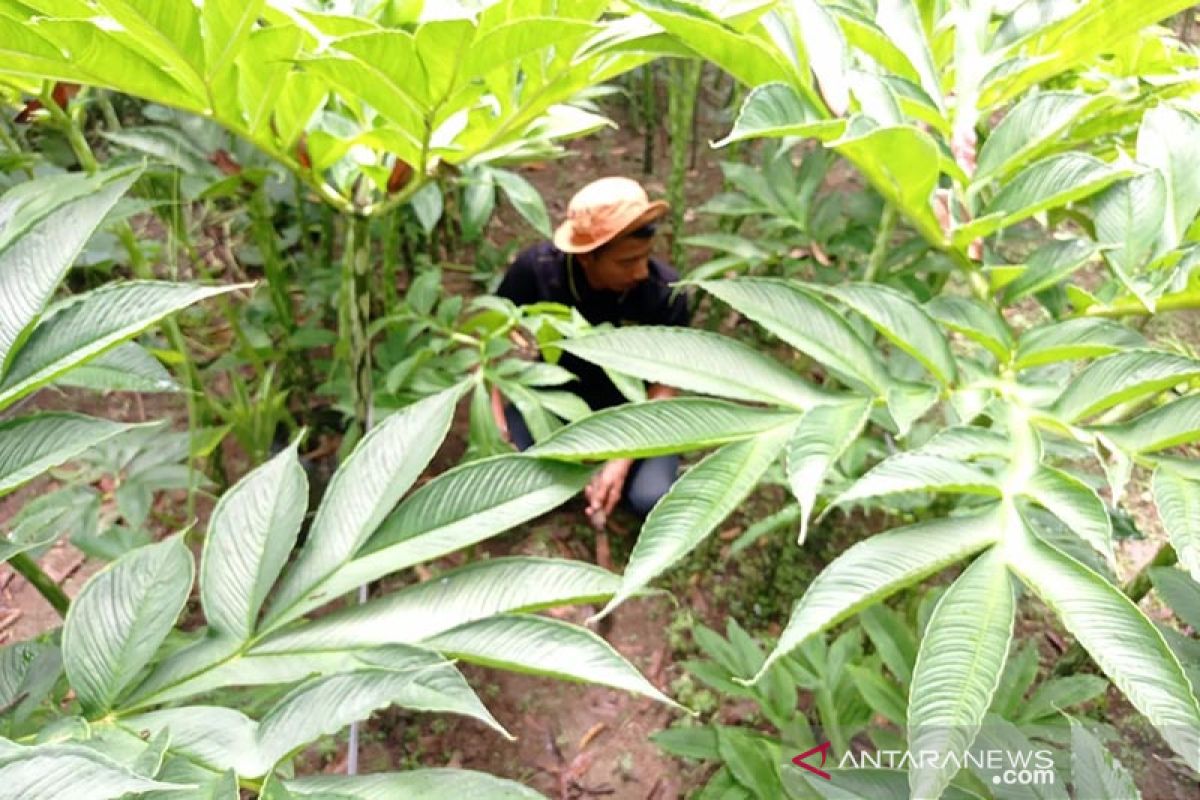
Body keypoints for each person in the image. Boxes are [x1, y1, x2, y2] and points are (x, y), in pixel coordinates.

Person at [490, 176, 689, 526]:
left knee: (650, 499)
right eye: (626, 262)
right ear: (586, 259)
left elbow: (664, 388)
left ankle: (596, 468)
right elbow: (493, 336)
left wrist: (622, 458)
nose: (641, 272)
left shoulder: (665, 292)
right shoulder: (536, 272)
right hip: (558, 398)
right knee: (513, 475)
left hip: (635, 410)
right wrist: (494, 413)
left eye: (645, 257)